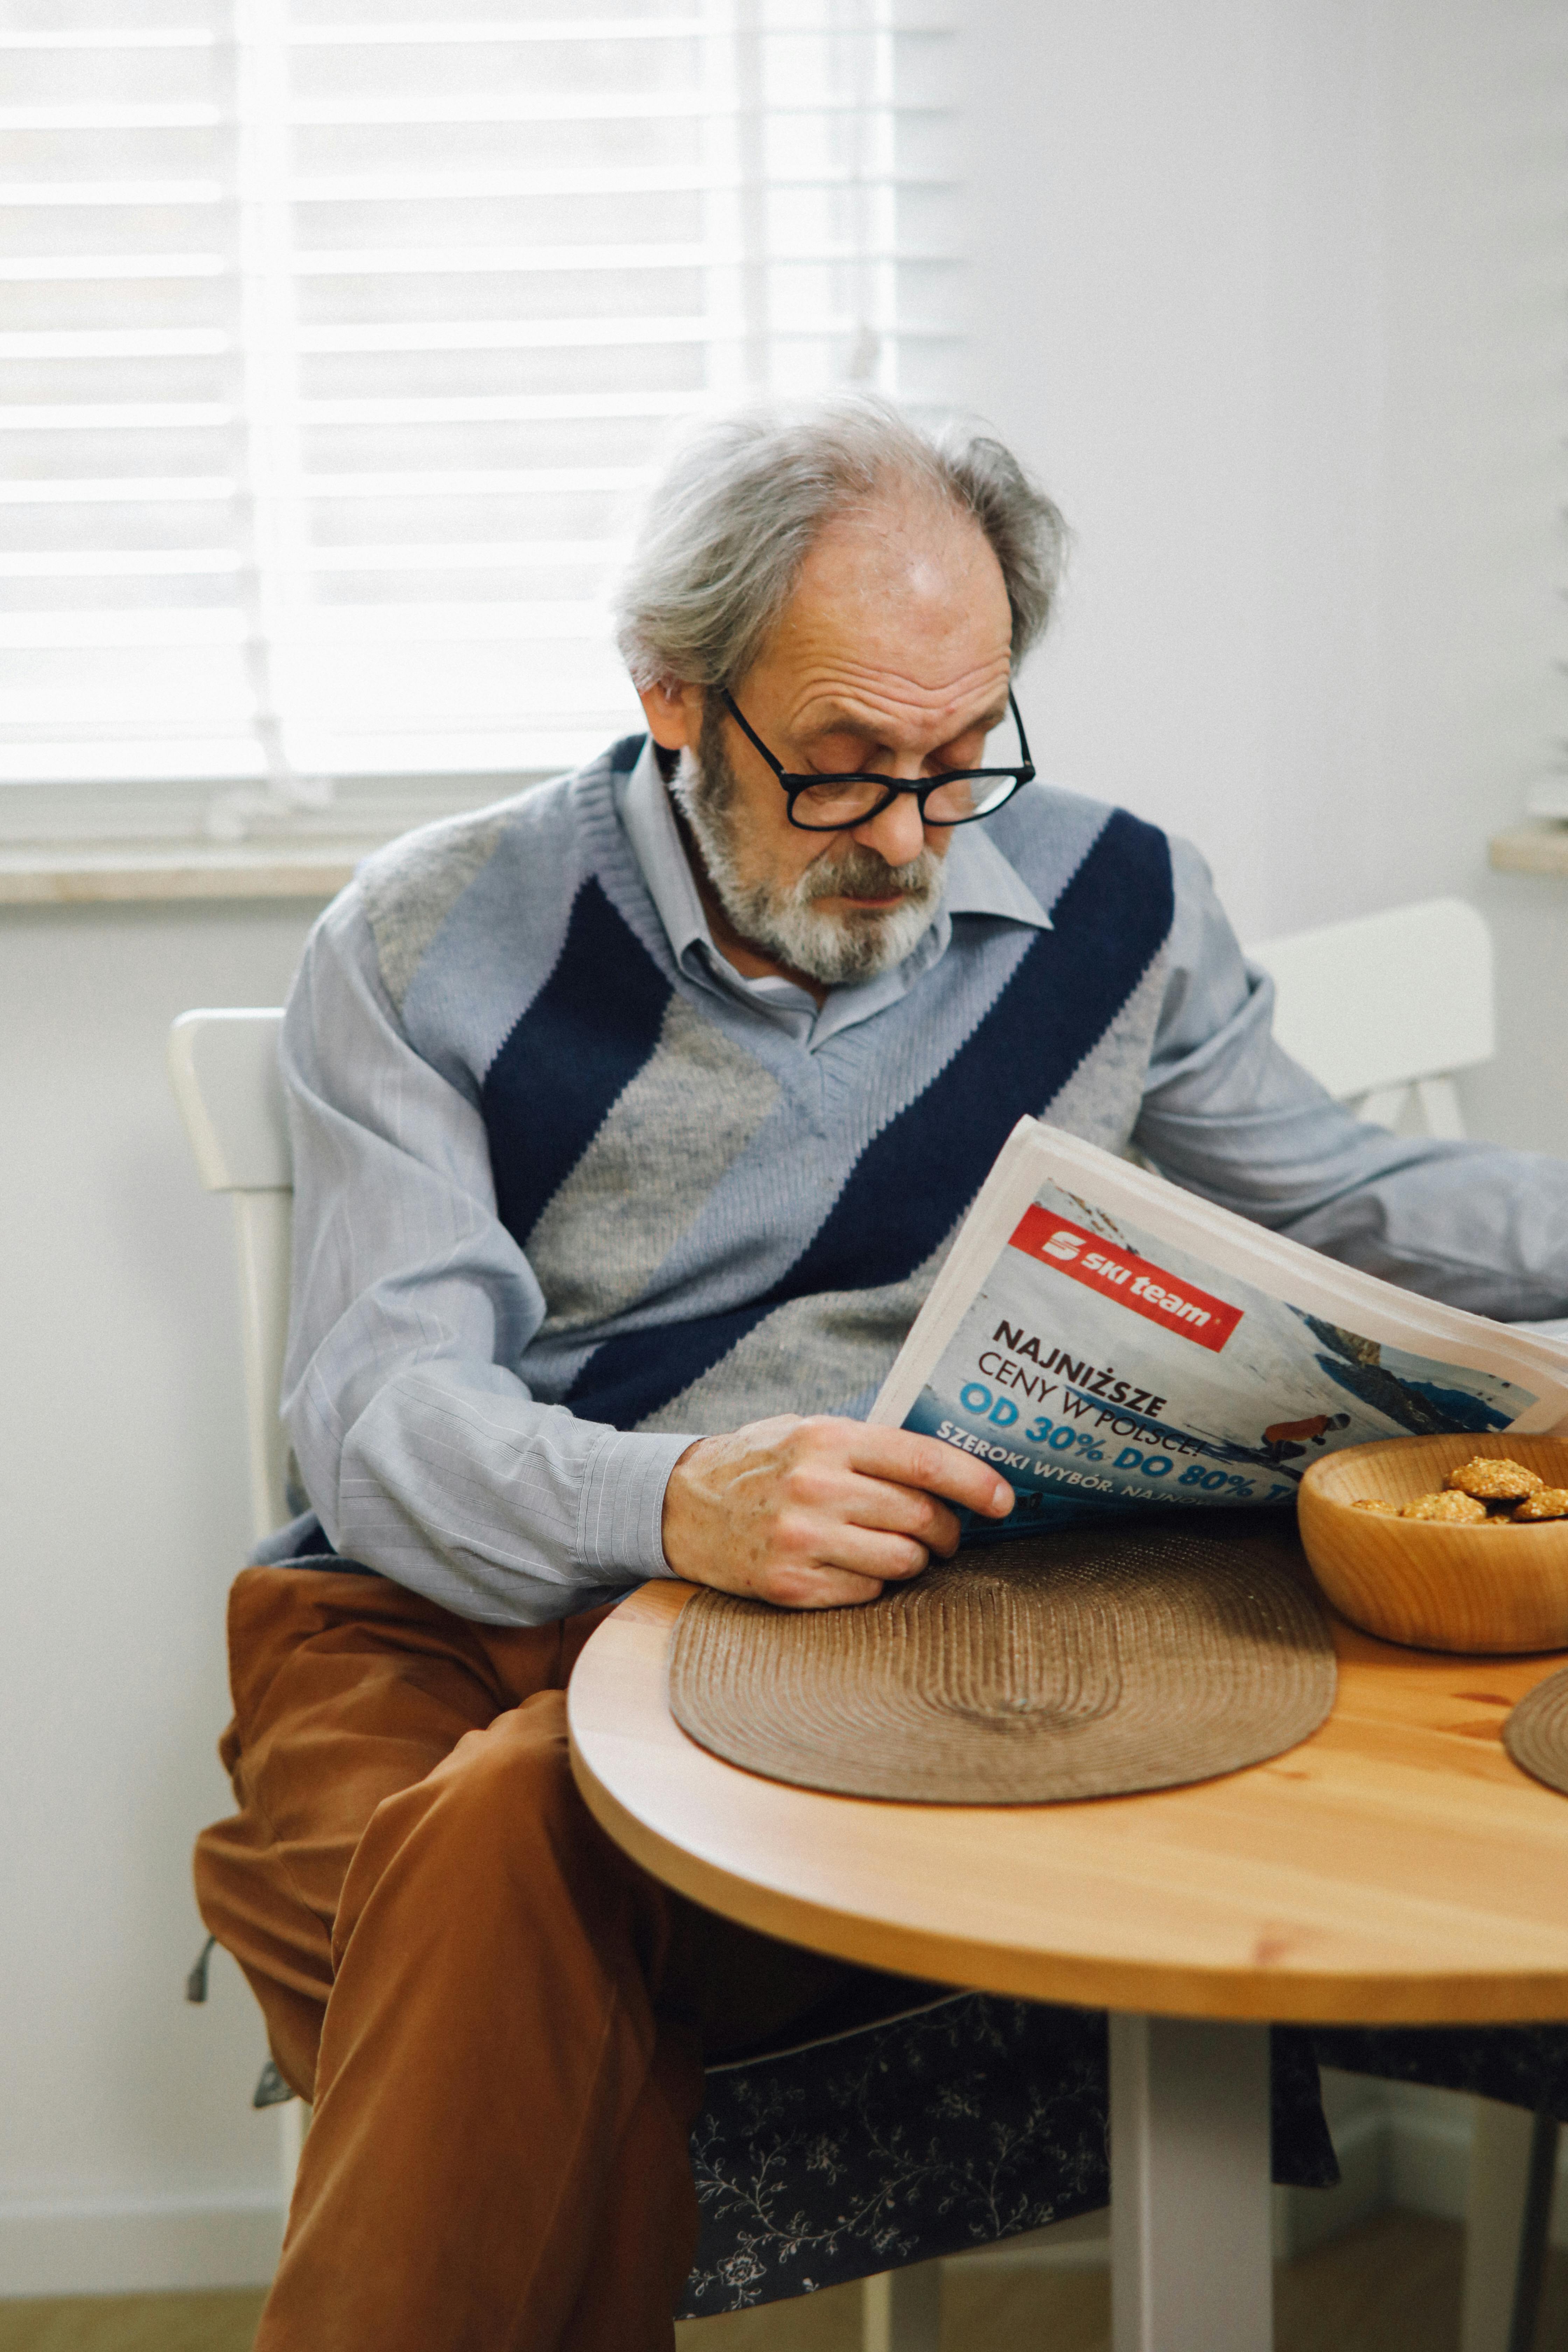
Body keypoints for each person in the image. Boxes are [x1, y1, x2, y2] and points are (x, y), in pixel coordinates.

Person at [195, 394, 1568, 2351]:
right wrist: (672, 1499)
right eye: (843, 769)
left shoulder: (1115, 904)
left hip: (862, 1629)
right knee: (498, 1829)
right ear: (674, 693)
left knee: (495, 1852)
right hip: (444, 1607)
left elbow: (1350, 1202)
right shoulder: (431, 934)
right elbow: (385, 1420)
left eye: (963, 759)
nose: (918, 832)